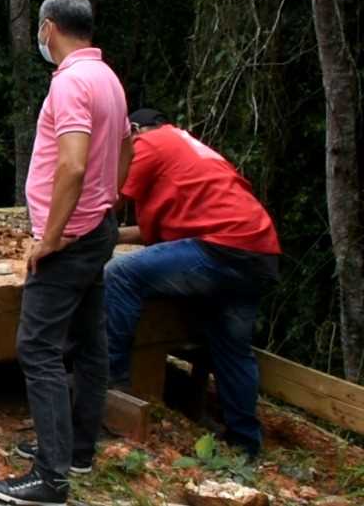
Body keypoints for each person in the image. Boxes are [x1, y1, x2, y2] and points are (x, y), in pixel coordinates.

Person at [0, 0, 131, 506]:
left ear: (49, 27)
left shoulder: (71, 83)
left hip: (69, 238)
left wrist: (50, 237)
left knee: (38, 348)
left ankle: (50, 479)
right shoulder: (107, 77)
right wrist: (109, 200)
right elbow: (126, 144)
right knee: (90, 347)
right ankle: (76, 451)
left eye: (39, 31)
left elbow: (70, 164)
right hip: (96, 230)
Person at [106, 108, 279, 459]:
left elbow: (109, 199)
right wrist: (107, 239)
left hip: (221, 248)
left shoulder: (150, 143)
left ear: (135, 130)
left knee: (119, 275)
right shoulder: (188, 149)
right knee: (232, 349)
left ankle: (112, 386)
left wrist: (72, 233)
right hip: (256, 254)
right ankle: (245, 445)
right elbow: (151, 234)